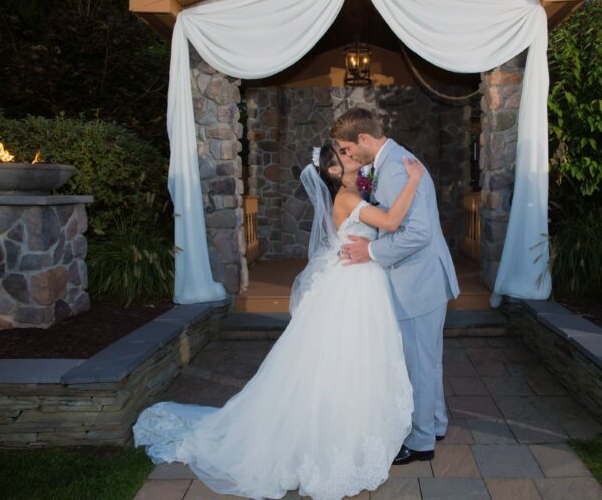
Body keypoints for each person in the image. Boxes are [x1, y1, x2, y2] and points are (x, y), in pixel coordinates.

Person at [134, 144, 426, 500]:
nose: (351, 156)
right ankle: (334, 439)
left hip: (359, 281)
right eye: (344, 155)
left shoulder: (353, 192)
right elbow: (392, 222)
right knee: (348, 358)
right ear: (334, 171)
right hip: (354, 286)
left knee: (355, 360)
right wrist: (415, 180)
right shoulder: (347, 198)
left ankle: (356, 433)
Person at [332, 107, 460, 465]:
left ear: (364, 139)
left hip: (416, 281)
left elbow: (416, 232)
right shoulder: (397, 161)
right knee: (427, 360)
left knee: (419, 363)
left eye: (347, 148)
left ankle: (421, 442)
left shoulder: (394, 168)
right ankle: (434, 423)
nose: (348, 156)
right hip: (425, 278)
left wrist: (370, 250)